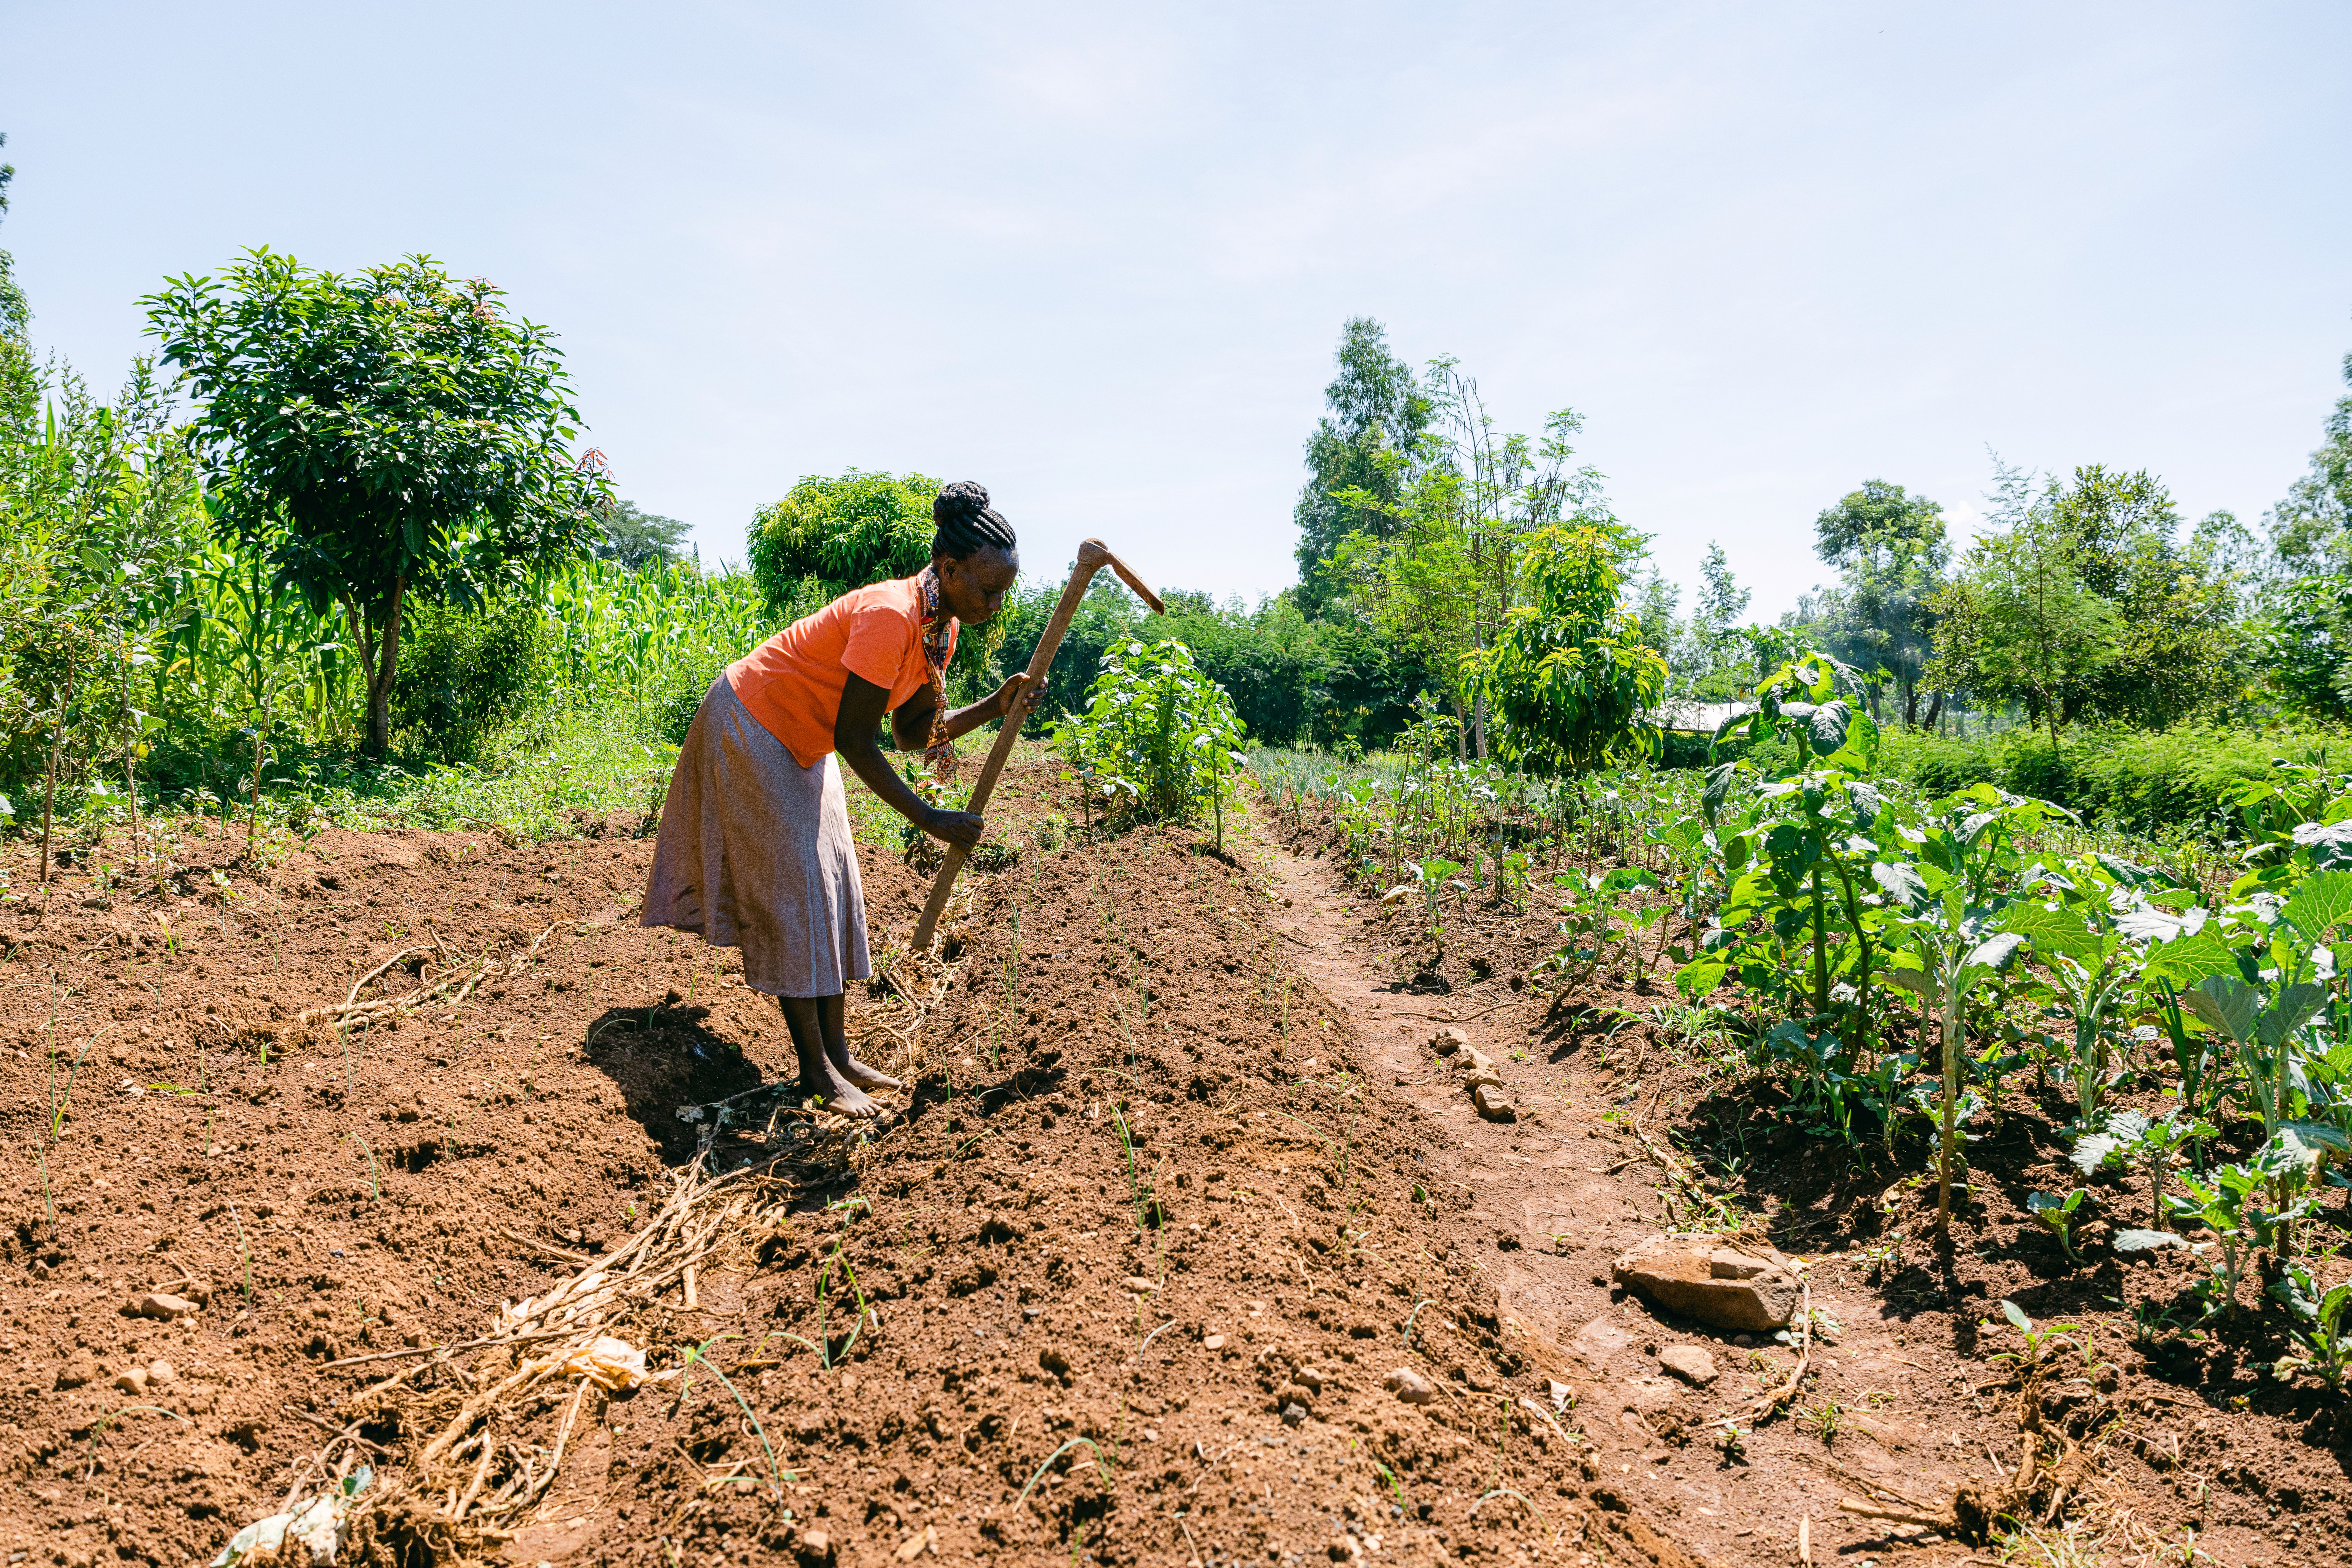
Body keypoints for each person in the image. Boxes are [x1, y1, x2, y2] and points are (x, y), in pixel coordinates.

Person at [642, 481, 1035, 1116]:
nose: (995, 604)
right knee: (795, 893)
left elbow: (910, 731)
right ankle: (816, 1073)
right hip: (754, 722)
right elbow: (857, 739)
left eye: (1002, 594)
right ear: (950, 567)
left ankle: (838, 1053)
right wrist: (929, 818)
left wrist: (996, 705)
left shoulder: (941, 629)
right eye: (988, 590)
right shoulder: (891, 616)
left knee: (829, 881)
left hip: (806, 739)